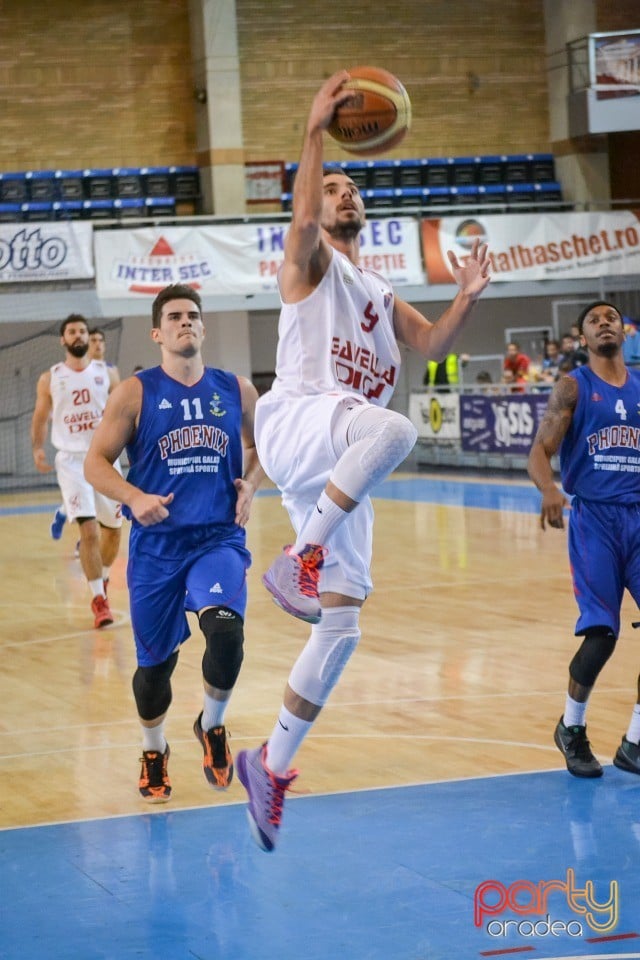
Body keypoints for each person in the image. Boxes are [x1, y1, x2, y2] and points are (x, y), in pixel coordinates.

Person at [234, 69, 492, 853]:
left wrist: (467, 299)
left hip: (338, 456)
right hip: (303, 419)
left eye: (353, 186)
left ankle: (269, 766)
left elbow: (433, 344)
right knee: (396, 431)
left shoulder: (379, 289)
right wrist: (313, 134)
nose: (344, 194)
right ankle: (299, 555)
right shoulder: (312, 266)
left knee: (343, 626)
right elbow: (303, 220)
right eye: (335, 185)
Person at [84, 283, 264, 803]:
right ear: (158, 332)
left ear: (203, 328)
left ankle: (211, 723)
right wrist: (133, 496)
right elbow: (95, 462)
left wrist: (250, 482)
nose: (186, 322)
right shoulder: (136, 392)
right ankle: (154, 748)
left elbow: (263, 449)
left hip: (217, 540)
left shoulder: (237, 389)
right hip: (158, 547)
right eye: (175, 317)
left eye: (193, 315)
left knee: (227, 637)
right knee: (154, 670)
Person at [527, 300, 640, 780]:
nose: (603, 323)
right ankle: (571, 729)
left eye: (610, 317)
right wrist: (549, 488)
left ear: (624, 329)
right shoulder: (574, 386)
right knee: (601, 635)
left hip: (638, 517)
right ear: (582, 338)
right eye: (593, 320)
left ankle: (635, 742)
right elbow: (540, 449)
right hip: (595, 520)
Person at [31, 313, 122, 627]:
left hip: (106, 458)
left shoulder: (108, 374)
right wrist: (37, 447)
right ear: (63, 339)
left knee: (113, 532)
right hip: (71, 461)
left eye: (83, 331)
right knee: (89, 531)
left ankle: (104, 579)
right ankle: (99, 600)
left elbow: (123, 415)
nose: (79, 336)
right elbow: (41, 416)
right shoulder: (50, 377)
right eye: (72, 331)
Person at [50, 326, 121, 543]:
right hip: (75, 448)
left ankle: (64, 516)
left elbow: (117, 404)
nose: (98, 344)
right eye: (94, 340)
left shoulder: (109, 370)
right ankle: (79, 532)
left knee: (103, 500)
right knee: (85, 501)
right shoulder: (71, 371)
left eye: (101, 340)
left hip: (100, 445)